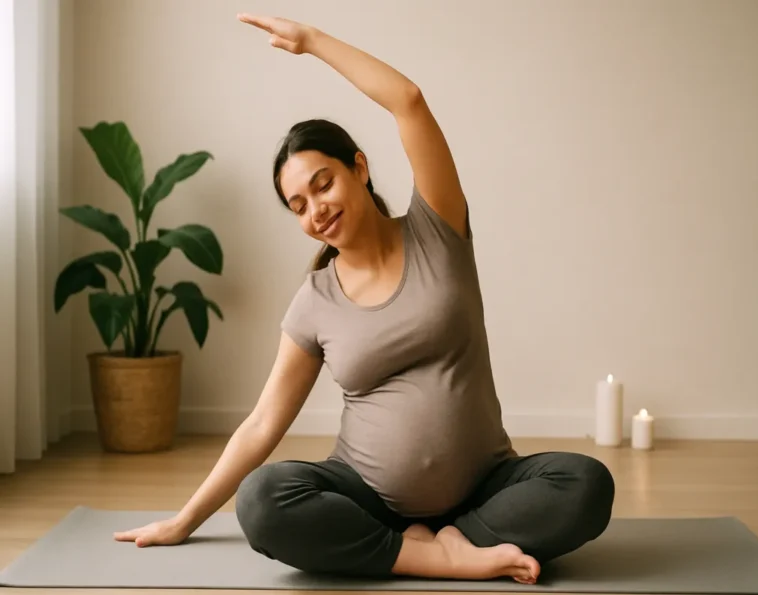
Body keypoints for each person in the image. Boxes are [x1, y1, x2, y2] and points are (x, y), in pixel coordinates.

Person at [113, 14, 615, 584]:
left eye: (322, 184)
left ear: (359, 167)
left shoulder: (438, 229)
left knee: (587, 484)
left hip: (485, 488)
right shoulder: (315, 300)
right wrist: (185, 519)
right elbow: (262, 425)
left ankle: (448, 542)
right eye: (298, 206)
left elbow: (409, 101)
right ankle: (433, 556)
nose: (316, 210)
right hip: (368, 496)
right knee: (262, 500)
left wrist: (312, 43)